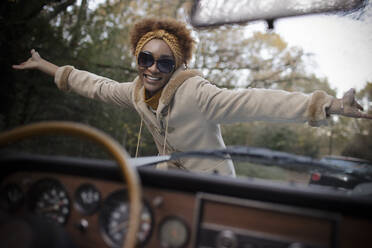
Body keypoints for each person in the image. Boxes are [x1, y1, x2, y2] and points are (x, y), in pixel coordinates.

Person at [12, 18, 372, 177]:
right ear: (137, 60)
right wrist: (46, 66)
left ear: (177, 65)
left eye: (164, 62)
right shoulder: (136, 93)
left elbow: (257, 100)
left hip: (211, 180)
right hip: (170, 175)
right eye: (145, 59)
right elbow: (96, 85)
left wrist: (328, 105)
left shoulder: (197, 94)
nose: (152, 69)